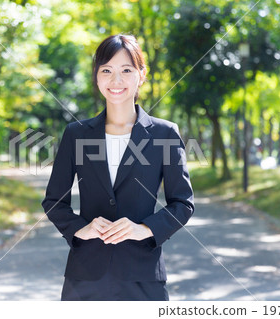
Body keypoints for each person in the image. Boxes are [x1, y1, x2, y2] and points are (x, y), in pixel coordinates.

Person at [41, 33, 195, 301]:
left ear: (142, 74)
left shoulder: (164, 133)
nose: (116, 80)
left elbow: (183, 203)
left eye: (126, 70)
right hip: (84, 277)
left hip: (143, 277)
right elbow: (54, 201)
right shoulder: (76, 133)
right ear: (97, 76)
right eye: (107, 70)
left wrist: (144, 229)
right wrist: (81, 228)